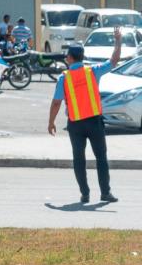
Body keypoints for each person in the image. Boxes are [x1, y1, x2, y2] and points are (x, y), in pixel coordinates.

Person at [48, 34, 122, 204]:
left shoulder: (64, 77)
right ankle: (105, 193)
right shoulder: (93, 71)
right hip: (95, 123)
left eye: (67, 56)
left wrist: (51, 122)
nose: (66, 58)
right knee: (101, 158)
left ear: (70, 58)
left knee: (79, 159)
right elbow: (114, 60)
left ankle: (85, 194)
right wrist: (118, 41)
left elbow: (56, 103)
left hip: (75, 125)